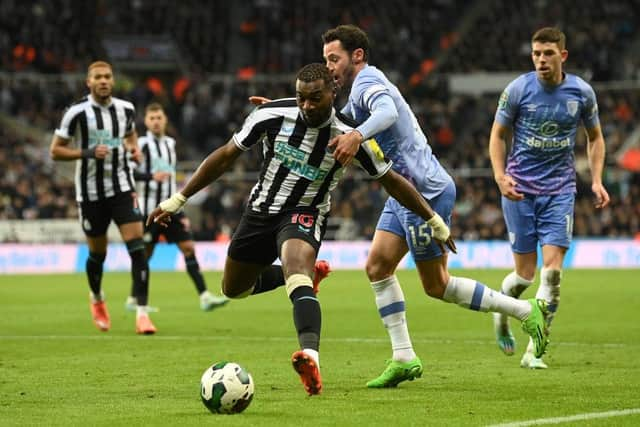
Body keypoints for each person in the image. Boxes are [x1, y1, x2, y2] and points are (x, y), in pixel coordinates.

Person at [148, 63, 455, 395]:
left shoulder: (351, 135)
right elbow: (224, 157)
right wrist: (177, 199)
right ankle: (311, 278)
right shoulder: (271, 115)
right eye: (301, 98)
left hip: (305, 213)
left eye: (315, 99)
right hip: (260, 212)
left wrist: (433, 219)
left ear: (332, 94)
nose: (307, 106)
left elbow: (392, 182)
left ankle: (310, 358)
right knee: (233, 289)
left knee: (296, 270)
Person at [318, 24, 552, 388]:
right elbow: (331, 124)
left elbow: (386, 115)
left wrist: (357, 135)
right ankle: (404, 357)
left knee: (436, 285)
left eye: (334, 58)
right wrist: (281, 113)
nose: (329, 66)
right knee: (378, 266)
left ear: (357, 56)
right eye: (326, 60)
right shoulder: (355, 95)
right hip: (403, 193)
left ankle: (525, 310)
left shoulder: (368, 82)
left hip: (425, 192)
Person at [489, 27, 610, 369]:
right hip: (519, 191)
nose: (541, 60)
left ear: (563, 56)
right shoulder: (517, 90)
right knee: (525, 276)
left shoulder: (581, 93)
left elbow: (596, 138)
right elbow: (497, 136)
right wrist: (500, 177)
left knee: (552, 274)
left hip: (560, 190)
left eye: (548, 54)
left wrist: (597, 180)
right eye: (536, 54)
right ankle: (500, 314)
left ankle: (534, 351)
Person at [50, 60, 156, 334]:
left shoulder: (126, 109)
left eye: (107, 76)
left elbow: (131, 136)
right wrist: (86, 153)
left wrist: (134, 150)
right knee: (98, 254)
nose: (103, 81)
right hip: (90, 193)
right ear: (89, 82)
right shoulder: (76, 113)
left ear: (113, 80)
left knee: (138, 249)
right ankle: (97, 298)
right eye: (97, 77)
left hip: (122, 187)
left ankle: (143, 314)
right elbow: (56, 150)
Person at [126, 102, 229, 312]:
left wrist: (178, 205)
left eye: (159, 118)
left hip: (170, 209)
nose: (155, 122)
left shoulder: (171, 144)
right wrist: (150, 176)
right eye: (151, 118)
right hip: (148, 212)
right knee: (144, 256)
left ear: (165, 120)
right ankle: (133, 299)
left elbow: (171, 178)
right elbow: (128, 172)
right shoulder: (143, 144)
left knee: (188, 248)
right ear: (146, 122)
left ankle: (204, 296)